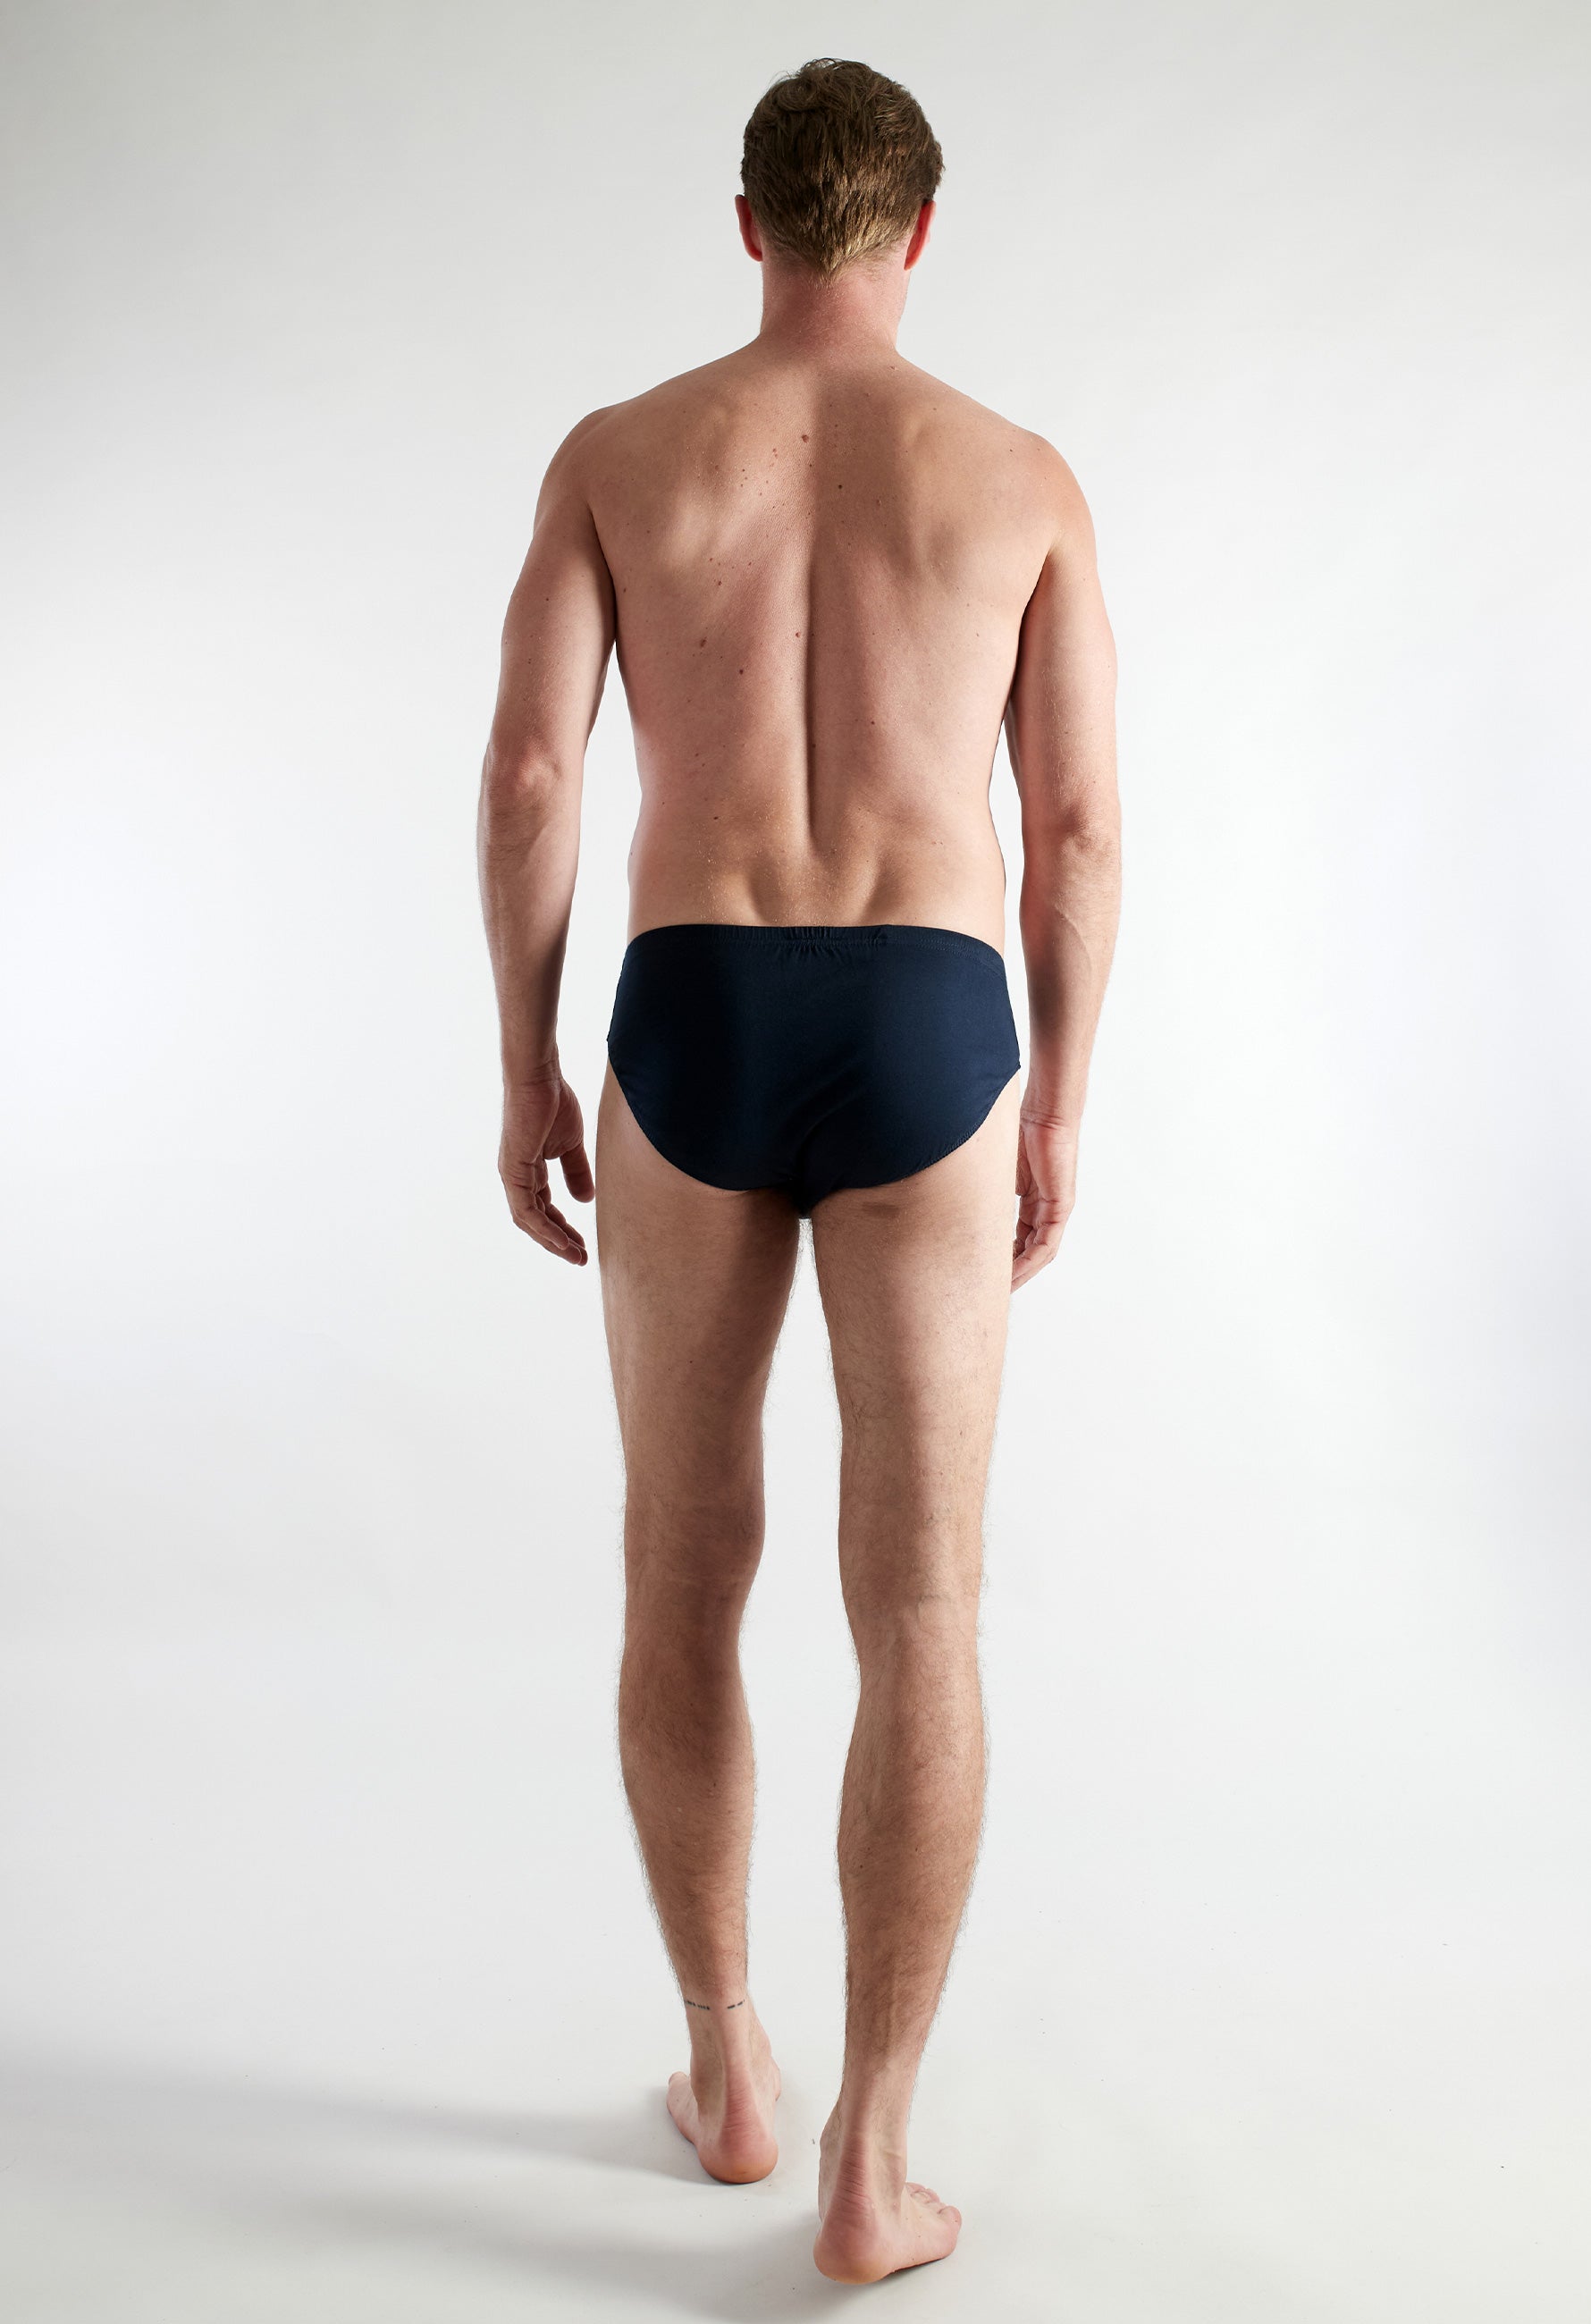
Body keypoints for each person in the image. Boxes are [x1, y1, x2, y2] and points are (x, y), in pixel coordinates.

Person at [476, 55, 1120, 2285]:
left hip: (695, 1008)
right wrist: (1059, 1096)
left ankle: (731, 2066)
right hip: (932, 1015)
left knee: (683, 1565)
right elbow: (1079, 826)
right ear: (918, 234)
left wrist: (523, 1059)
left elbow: (535, 775)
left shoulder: (620, 455)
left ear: (747, 223)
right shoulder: (1020, 478)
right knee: (918, 1597)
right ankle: (874, 2162)